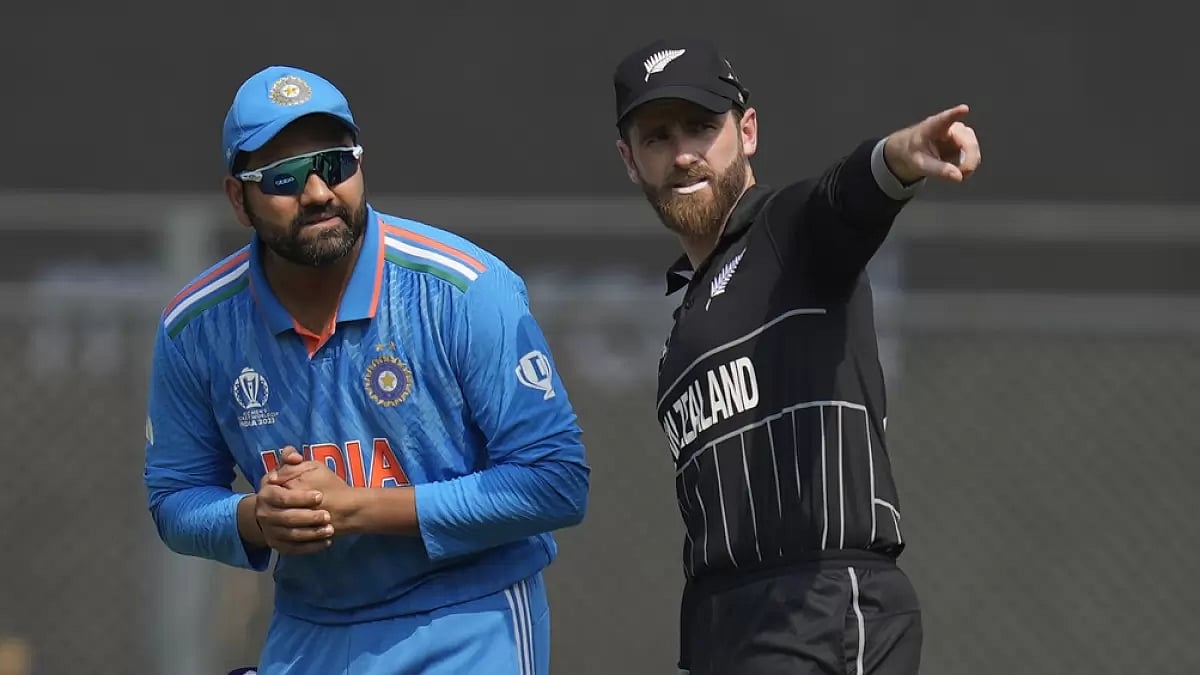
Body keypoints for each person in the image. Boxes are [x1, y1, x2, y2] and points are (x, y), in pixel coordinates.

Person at [143, 65, 590, 675]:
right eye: (283, 177)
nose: (320, 192)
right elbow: (174, 498)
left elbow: (555, 481)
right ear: (238, 200)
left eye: (335, 164)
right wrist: (256, 518)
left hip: (467, 612)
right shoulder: (195, 327)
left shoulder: (464, 290)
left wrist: (354, 508)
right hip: (311, 624)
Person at [610, 39, 981, 675]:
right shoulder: (683, 325)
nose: (683, 154)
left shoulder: (785, 234)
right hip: (721, 624)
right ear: (630, 160)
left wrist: (899, 158)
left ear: (746, 130)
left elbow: (843, 199)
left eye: (702, 126)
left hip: (819, 601)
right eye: (657, 137)